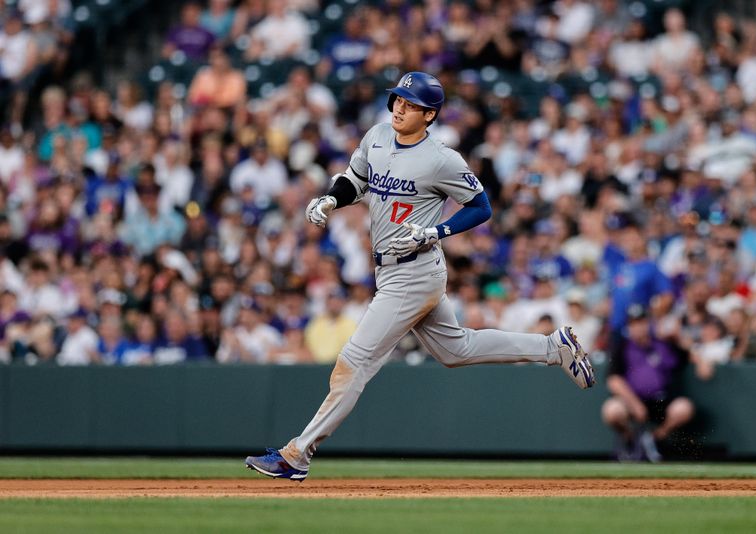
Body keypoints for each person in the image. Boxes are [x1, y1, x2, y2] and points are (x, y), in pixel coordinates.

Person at [245, 72, 595, 480]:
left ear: (429, 114)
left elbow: (481, 206)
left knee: (354, 361)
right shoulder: (377, 135)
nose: (399, 108)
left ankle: (296, 455)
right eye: (397, 99)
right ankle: (554, 348)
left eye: (410, 104)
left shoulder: (441, 158)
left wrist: (437, 230)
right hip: (393, 270)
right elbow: (356, 179)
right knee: (456, 351)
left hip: (414, 270)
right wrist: (330, 199)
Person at [601, 305, 694, 462]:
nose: (638, 327)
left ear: (648, 323)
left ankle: (655, 438)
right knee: (612, 410)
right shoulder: (622, 346)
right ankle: (630, 439)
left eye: (641, 322)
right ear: (629, 326)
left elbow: (688, 355)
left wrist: (678, 337)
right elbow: (613, 380)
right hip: (634, 401)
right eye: (634, 323)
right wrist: (635, 404)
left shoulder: (663, 344)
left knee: (684, 408)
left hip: (661, 401)